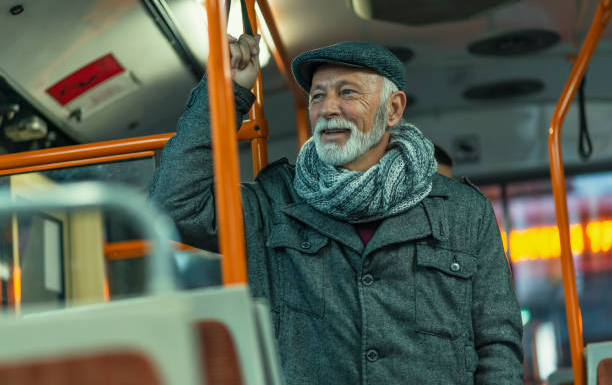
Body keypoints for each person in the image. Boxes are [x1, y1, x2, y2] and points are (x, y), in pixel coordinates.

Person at [149, 35, 523, 384]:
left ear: (393, 109)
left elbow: (497, 342)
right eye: (317, 96)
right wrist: (225, 92)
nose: (328, 109)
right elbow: (175, 204)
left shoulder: (462, 211)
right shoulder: (275, 202)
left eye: (347, 93)